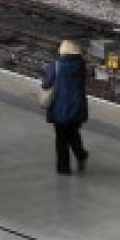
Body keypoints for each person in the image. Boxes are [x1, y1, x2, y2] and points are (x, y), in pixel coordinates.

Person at [39, 39, 90, 175]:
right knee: (73, 132)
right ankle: (81, 154)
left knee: (61, 138)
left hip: (59, 107)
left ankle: (64, 168)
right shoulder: (81, 66)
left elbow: (46, 84)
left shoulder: (55, 67)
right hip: (77, 106)